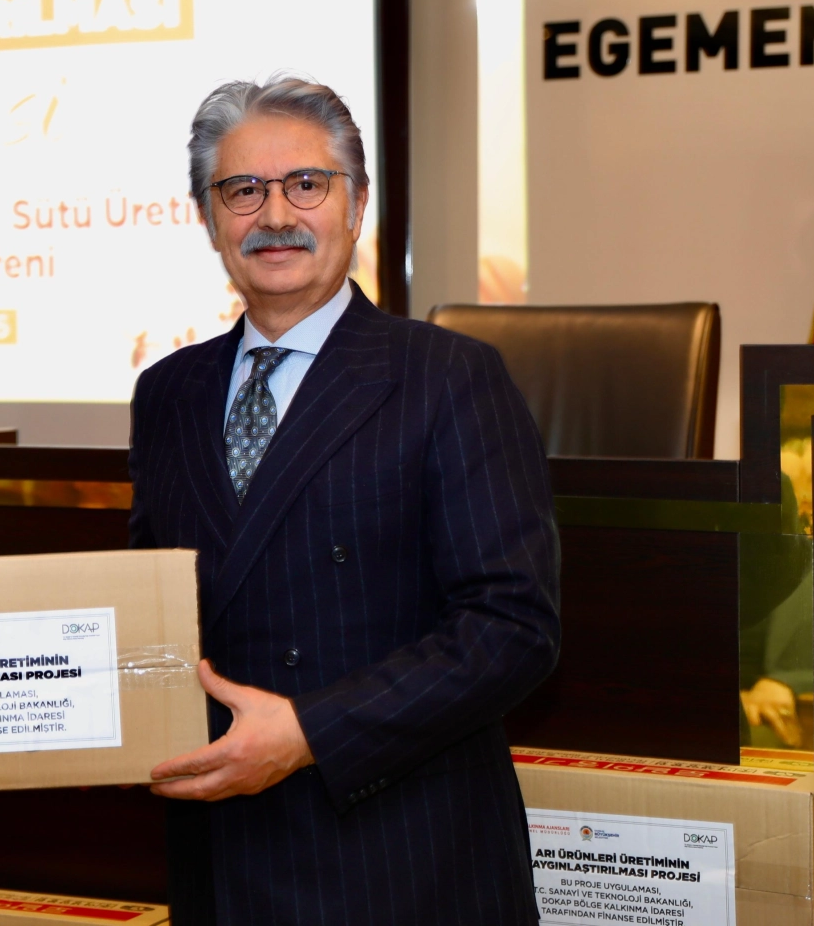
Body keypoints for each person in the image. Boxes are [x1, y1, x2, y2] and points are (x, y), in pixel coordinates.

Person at [129, 75, 561, 923]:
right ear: (209, 218)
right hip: (222, 858)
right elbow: (157, 607)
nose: (274, 215)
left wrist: (310, 734)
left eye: (306, 184)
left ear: (356, 205)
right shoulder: (167, 393)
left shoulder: (448, 376)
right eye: (241, 190)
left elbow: (512, 627)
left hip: (399, 858)